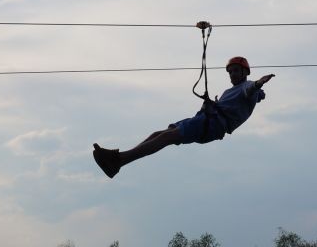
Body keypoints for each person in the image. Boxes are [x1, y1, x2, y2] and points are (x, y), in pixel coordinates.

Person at [93, 57, 274, 178]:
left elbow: (251, 89)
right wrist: (210, 104)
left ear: (245, 73)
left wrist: (259, 82)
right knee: (161, 132)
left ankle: (119, 160)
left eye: (236, 71)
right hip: (205, 120)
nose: (232, 74)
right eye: (230, 71)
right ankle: (120, 160)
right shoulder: (230, 91)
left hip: (212, 125)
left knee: (167, 137)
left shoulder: (248, 87)